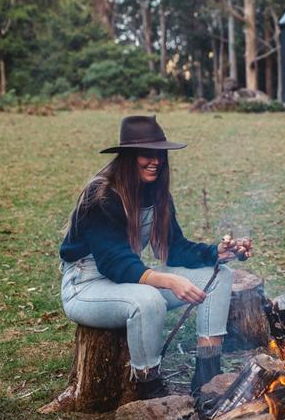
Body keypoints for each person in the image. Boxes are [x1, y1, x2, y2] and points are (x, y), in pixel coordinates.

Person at [59, 115, 250, 400]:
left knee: (218, 277)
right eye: (146, 153)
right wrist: (168, 281)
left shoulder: (156, 193)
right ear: (127, 156)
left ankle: (208, 375)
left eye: (160, 153)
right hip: (86, 286)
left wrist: (216, 253)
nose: (156, 161)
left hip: (128, 278)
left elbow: (174, 249)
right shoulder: (100, 196)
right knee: (148, 300)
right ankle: (147, 386)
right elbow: (115, 264)